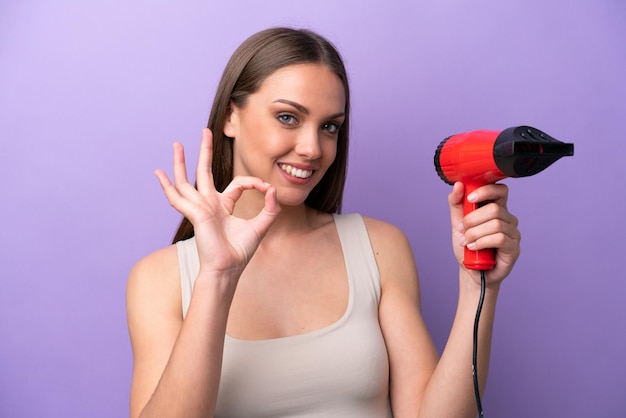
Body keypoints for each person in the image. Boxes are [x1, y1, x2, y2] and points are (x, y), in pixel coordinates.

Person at [126, 27, 521, 418]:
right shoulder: (158, 279)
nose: (313, 148)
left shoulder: (379, 248)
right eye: (287, 117)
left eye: (329, 126)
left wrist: (477, 289)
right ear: (231, 116)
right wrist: (217, 276)